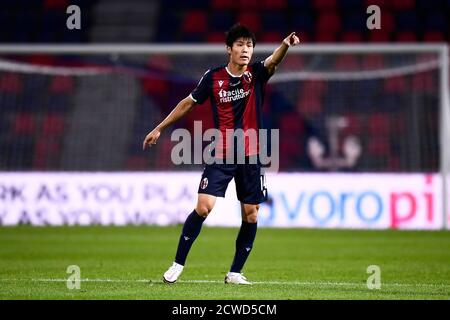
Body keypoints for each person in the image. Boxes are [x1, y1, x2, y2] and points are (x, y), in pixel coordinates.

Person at [143, 24, 300, 285]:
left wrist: (284, 44)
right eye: (240, 45)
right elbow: (187, 103)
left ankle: (235, 273)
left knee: (251, 213)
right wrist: (160, 128)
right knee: (204, 207)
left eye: (249, 45)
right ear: (229, 49)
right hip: (222, 153)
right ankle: (177, 264)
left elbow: (274, 61)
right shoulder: (213, 78)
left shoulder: (257, 73)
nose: (245, 50)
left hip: (251, 154)